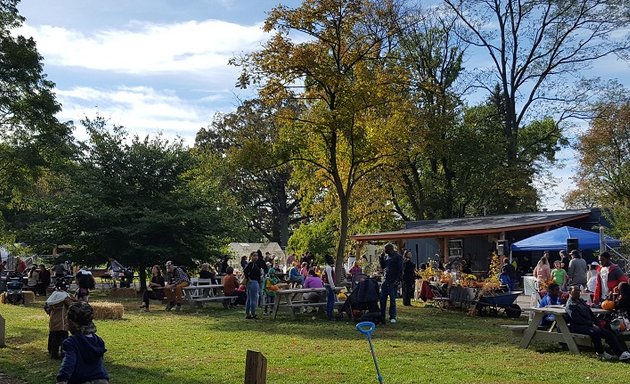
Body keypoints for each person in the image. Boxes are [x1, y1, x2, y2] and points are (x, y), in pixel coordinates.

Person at [565, 285, 630, 361]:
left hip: (590, 325)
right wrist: (591, 324)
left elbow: (590, 313)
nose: (578, 292)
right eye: (575, 291)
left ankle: (620, 353)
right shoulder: (570, 305)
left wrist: (597, 321)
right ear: (570, 292)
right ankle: (600, 353)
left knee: (607, 332)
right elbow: (577, 319)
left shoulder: (581, 301)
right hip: (579, 326)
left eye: (578, 291)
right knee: (596, 332)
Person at [56, 301, 109, 384]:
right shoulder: (99, 340)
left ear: (71, 322)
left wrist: (62, 379)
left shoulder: (71, 342)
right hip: (101, 380)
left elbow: (68, 362)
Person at [45, 279, 74, 359]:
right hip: (62, 320)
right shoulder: (65, 296)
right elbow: (71, 305)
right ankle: (63, 353)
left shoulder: (53, 295)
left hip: (53, 319)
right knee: (63, 337)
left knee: (54, 336)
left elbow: (47, 307)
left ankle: (52, 352)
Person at [379, 243, 403, 324]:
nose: (385, 251)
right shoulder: (386, 256)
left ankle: (392, 316)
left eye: (385, 249)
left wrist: (398, 280)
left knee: (392, 300)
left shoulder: (398, 257)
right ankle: (382, 316)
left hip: (393, 281)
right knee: (383, 299)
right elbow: (383, 266)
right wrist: (381, 258)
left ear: (389, 249)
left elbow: (400, 270)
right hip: (385, 280)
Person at [243, 251, 262, 319]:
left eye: (256, 255)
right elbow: (245, 271)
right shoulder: (251, 264)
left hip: (252, 282)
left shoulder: (254, 264)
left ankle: (248, 313)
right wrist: (249, 278)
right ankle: (253, 313)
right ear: (251, 256)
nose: (256, 257)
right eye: (254, 255)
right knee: (253, 299)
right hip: (253, 282)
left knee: (249, 298)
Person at [323, 254, 337, 320]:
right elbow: (330, 278)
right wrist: (333, 287)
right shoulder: (328, 268)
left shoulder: (329, 267)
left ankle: (329, 313)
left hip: (327, 285)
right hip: (329, 285)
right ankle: (330, 315)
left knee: (329, 300)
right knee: (332, 300)